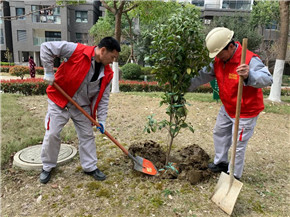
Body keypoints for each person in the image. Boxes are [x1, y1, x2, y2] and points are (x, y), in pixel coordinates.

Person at [188, 27, 273, 180]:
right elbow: (202, 76)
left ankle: (234, 174)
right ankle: (221, 162)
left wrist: (249, 75)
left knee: (238, 144)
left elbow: (267, 79)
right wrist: (183, 85)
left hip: (245, 111)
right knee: (219, 133)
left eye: (220, 53)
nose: (218, 57)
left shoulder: (249, 59)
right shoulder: (219, 60)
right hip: (228, 107)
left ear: (231, 46)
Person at [39, 37, 121, 184]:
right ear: (103, 51)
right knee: (52, 133)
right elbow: (46, 47)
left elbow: (103, 98)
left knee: (87, 135)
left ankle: (90, 167)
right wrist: (48, 71)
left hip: (81, 106)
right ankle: (47, 166)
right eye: (112, 57)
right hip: (60, 100)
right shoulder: (77, 50)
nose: (113, 61)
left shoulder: (107, 74)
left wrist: (101, 119)